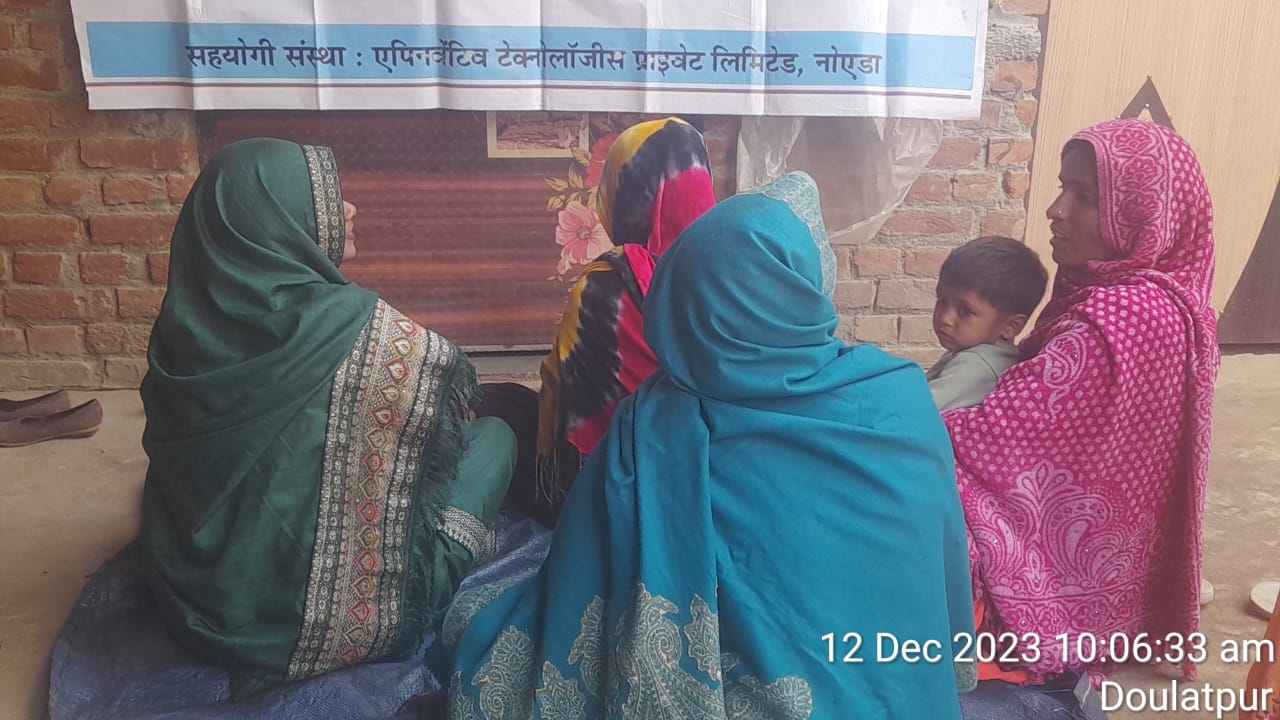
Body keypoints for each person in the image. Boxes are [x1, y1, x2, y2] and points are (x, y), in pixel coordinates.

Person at [441, 173, 975, 719]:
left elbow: (579, 589)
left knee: (482, 629)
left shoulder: (650, 427)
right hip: (903, 691)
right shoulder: (900, 399)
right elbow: (937, 565)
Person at [139, 138, 515, 687]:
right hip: (349, 624)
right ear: (278, 221)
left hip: (198, 602)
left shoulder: (180, 336)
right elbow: (442, 408)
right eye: (326, 200)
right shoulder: (355, 330)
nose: (349, 210)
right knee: (495, 438)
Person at [944, 119, 1219, 683]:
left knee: (904, 482)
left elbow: (988, 437)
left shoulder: (1116, 318)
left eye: (1084, 197)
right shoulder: (1168, 297)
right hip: (1117, 554)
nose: (1056, 210)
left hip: (1065, 564)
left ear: (1142, 215)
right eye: (1062, 188)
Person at [530, 116, 717, 515]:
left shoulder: (605, 288)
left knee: (502, 417)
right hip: (719, 482)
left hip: (619, 492)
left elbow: (562, 391)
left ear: (626, 192)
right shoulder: (738, 271)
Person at [926, 235, 1048, 410]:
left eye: (965, 311)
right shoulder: (974, 351)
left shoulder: (977, 366)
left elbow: (917, 410)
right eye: (941, 301)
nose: (945, 319)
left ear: (1010, 326)